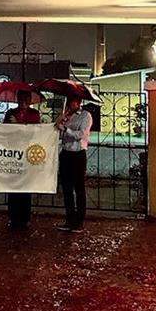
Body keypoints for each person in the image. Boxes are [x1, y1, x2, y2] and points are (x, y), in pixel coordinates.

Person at [3, 89, 41, 229]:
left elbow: (35, 132)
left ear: (30, 101)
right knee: (13, 186)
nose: (23, 102)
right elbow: (3, 131)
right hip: (13, 153)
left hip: (27, 154)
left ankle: (25, 218)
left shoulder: (34, 114)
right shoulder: (10, 113)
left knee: (26, 187)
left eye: (26, 99)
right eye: (21, 99)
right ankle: (13, 217)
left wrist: (18, 124)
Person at [55, 94, 93, 233]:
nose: (71, 104)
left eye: (73, 101)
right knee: (66, 189)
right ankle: (69, 219)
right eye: (69, 101)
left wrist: (66, 129)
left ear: (78, 102)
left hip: (78, 154)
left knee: (79, 188)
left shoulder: (85, 116)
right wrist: (60, 123)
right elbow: (59, 134)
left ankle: (79, 221)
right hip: (66, 153)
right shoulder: (67, 116)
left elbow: (81, 135)